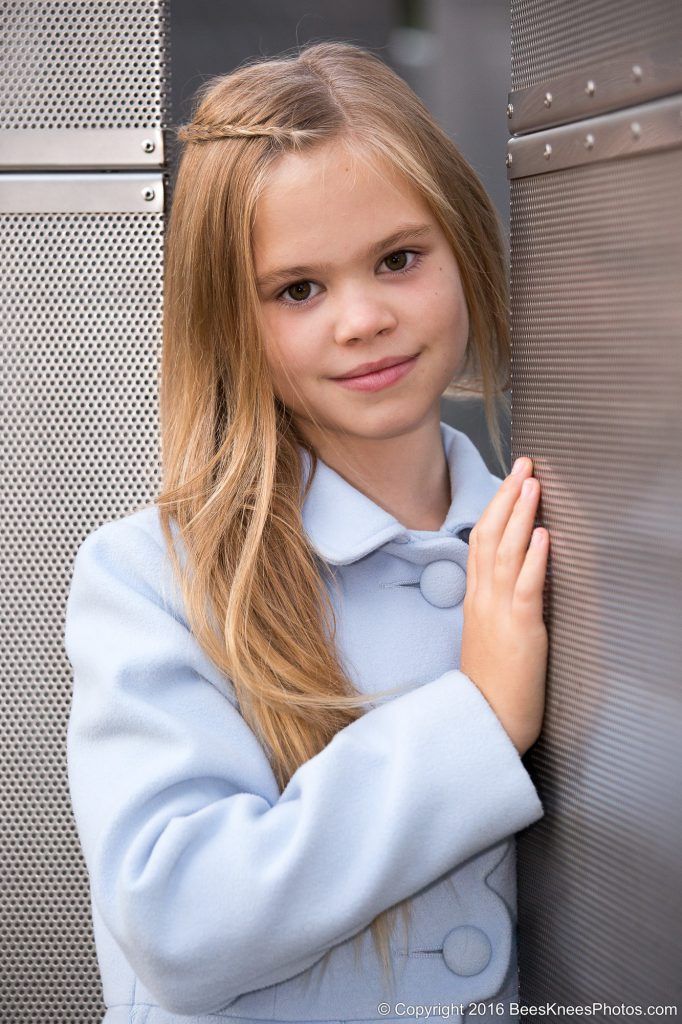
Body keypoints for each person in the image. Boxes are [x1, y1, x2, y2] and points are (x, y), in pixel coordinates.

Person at [64, 40, 550, 1024]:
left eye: (398, 259)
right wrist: (479, 719)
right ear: (227, 320)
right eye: (298, 289)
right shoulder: (150, 574)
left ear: (465, 248)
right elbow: (177, 921)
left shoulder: (539, 538)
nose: (364, 317)